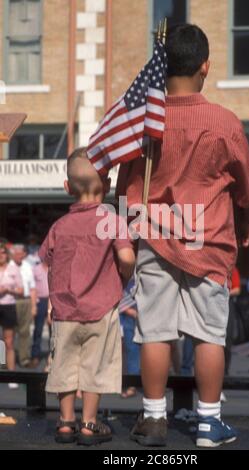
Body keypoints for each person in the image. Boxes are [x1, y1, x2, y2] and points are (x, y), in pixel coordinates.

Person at [116, 24, 249, 448]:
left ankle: (154, 418)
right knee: (208, 334)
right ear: (205, 66)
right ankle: (209, 424)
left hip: (155, 239)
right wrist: (246, 225)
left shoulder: (145, 121)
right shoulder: (223, 122)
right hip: (210, 243)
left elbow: (125, 185)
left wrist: (127, 233)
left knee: (155, 331)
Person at [39, 148, 135, 446]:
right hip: (101, 307)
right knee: (96, 366)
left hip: (65, 310)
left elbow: (48, 263)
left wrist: (53, 303)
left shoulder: (59, 226)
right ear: (106, 186)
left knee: (64, 364)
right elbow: (128, 257)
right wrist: (124, 274)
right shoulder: (113, 220)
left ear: (67, 187)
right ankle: (90, 424)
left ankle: (66, 421)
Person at [0, 243, 23, 388]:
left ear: (6, 254)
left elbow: (21, 290)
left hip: (8, 306)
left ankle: (11, 373)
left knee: (9, 342)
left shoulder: (13, 268)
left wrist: (8, 289)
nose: (1, 255)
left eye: (3, 252)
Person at [10, 244, 37, 368]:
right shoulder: (7, 266)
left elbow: (32, 288)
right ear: (13, 254)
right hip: (10, 301)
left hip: (25, 301)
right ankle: (3, 360)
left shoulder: (27, 266)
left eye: (22, 254)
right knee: (8, 333)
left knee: (25, 332)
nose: (20, 256)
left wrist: (33, 306)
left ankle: (24, 359)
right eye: (18, 254)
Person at [119, 278, 141, 398]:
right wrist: (127, 310)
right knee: (131, 349)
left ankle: (139, 384)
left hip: (140, 305)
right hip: (129, 310)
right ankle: (132, 384)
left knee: (136, 350)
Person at [31, 260, 49, 368]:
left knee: (54, 331)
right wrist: (33, 305)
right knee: (38, 329)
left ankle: (51, 357)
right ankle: (35, 355)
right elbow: (32, 287)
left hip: (53, 300)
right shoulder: (35, 269)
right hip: (40, 301)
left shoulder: (56, 266)